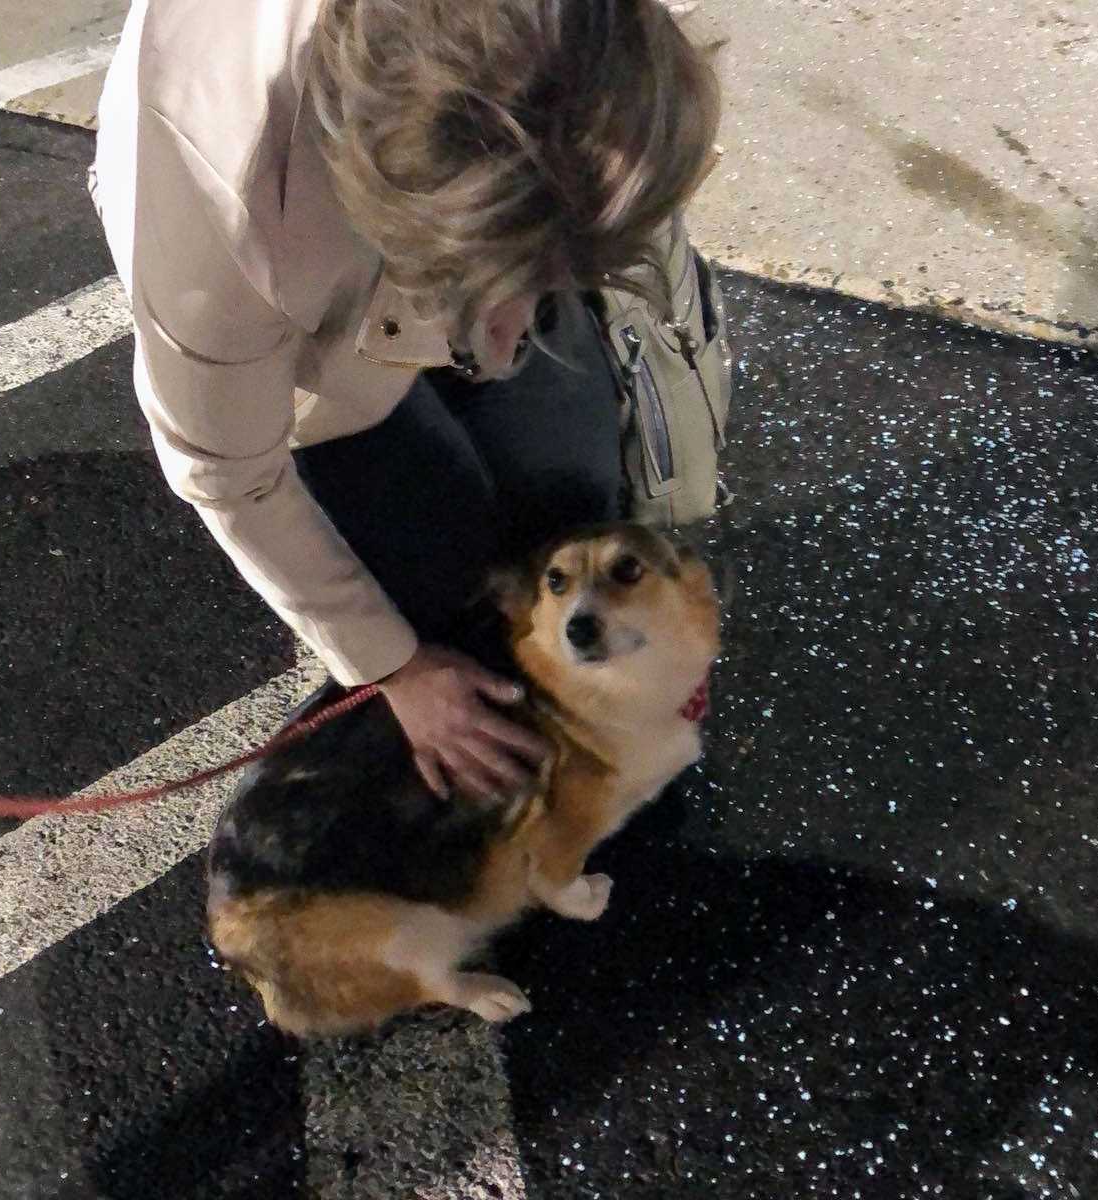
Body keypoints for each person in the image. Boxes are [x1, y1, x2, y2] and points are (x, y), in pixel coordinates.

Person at [90, 0, 721, 802]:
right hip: (314, 289)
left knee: (574, 490)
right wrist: (395, 667)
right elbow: (229, 475)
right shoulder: (220, 216)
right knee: (437, 582)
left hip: (468, 200)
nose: (509, 340)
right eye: (514, 284)